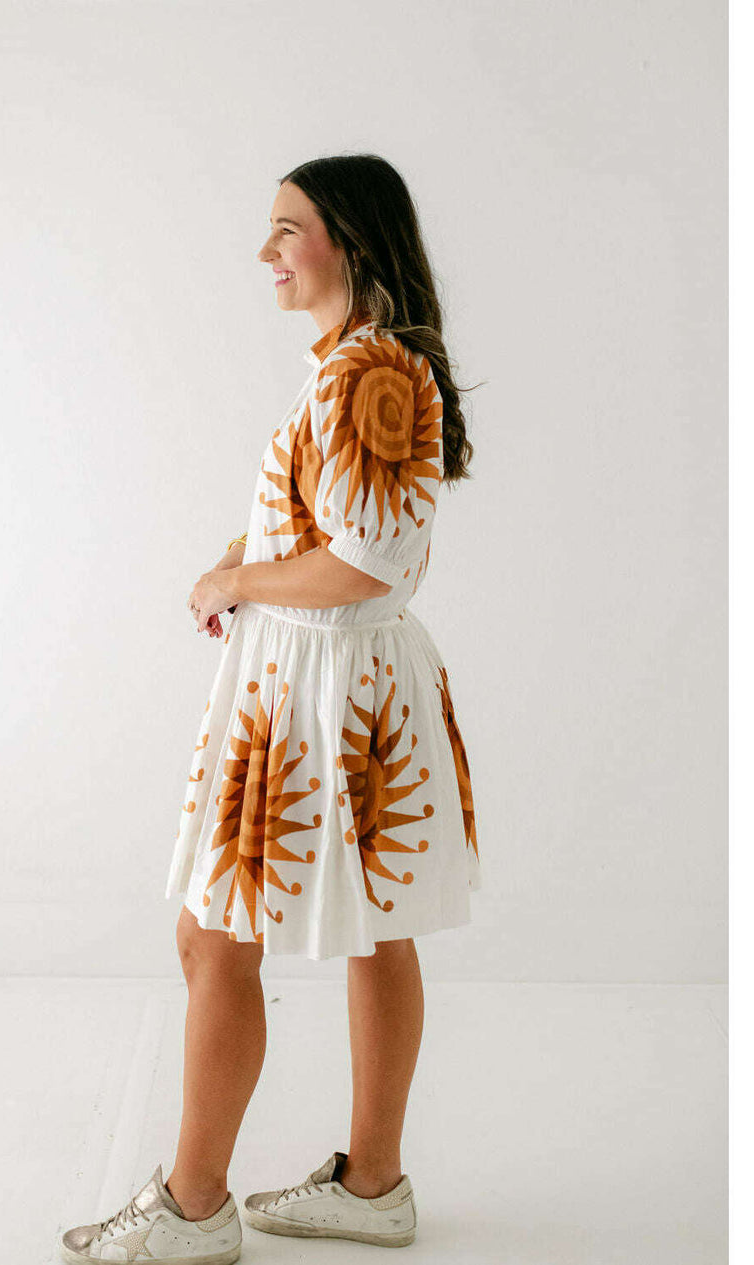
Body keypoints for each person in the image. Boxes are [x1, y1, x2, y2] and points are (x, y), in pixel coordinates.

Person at [61, 154, 481, 1264]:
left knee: (212, 935)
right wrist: (243, 559)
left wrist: (239, 581)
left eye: (287, 229)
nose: (267, 252)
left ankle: (194, 1205)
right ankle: (372, 1186)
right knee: (371, 928)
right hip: (339, 678)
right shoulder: (357, 366)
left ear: (349, 239)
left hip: (320, 688)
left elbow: (362, 560)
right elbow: (338, 530)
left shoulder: (368, 372)